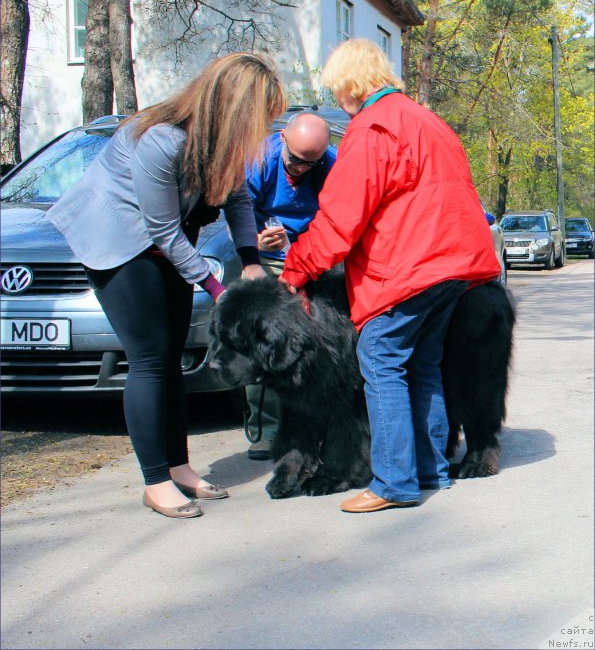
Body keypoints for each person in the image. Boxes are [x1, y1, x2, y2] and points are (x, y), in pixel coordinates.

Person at [48, 53, 287, 519]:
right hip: (118, 241)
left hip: (162, 243)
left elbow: (238, 197)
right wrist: (220, 292)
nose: (265, 126)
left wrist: (251, 262)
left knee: (171, 358)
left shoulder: (222, 141)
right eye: (262, 114)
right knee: (150, 361)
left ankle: (180, 468)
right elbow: (162, 230)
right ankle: (156, 481)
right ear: (236, 106)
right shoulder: (161, 139)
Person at [279, 38, 501, 513]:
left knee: (381, 360)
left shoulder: (372, 129)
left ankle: (393, 483)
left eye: (337, 88)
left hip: (409, 267)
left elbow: (341, 219)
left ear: (350, 84)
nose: (337, 97)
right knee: (423, 366)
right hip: (455, 266)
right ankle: (430, 471)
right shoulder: (429, 121)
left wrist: (294, 271)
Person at [243, 111, 337, 459]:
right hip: (267, 259)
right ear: (283, 137)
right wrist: (255, 243)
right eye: (295, 161)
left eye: (309, 164)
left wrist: (310, 252)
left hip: (315, 258)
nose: (300, 169)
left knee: (322, 343)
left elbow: (340, 215)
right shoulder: (259, 160)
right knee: (265, 342)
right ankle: (266, 430)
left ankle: (322, 427)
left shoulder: (331, 164)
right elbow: (235, 214)